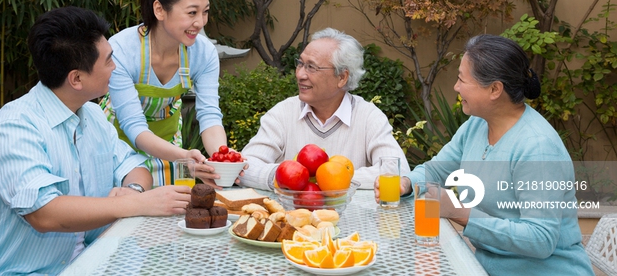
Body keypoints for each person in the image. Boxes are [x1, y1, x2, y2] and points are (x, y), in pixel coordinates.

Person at [0, 7, 191, 275]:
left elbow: (135, 166)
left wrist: (133, 190)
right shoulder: (13, 127)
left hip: (96, 259)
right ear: (76, 78)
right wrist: (137, 204)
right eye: (110, 61)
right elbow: (44, 213)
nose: (116, 68)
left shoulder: (93, 115)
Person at [376, 34, 594, 276]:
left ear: (494, 89)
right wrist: (406, 183)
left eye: (461, 79)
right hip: (483, 268)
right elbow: (438, 169)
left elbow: (540, 239)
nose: (456, 87)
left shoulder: (537, 148)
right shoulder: (476, 126)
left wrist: (460, 212)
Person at [101, 0, 228, 187]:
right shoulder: (122, 49)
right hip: (118, 144)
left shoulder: (203, 53)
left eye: (205, 12)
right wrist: (183, 156)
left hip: (170, 143)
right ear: (159, 9)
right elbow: (134, 127)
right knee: (124, 210)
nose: (200, 23)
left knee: (176, 208)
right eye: (191, 13)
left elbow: (209, 115)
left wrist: (224, 158)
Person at [240, 28, 410, 190]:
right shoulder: (283, 113)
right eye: (300, 64)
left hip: (352, 218)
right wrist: (289, 178)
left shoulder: (368, 116)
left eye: (311, 67)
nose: (300, 74)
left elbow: (397, 172)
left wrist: (328, 181)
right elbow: (245, 166)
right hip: (292, 217)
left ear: (342, 77)